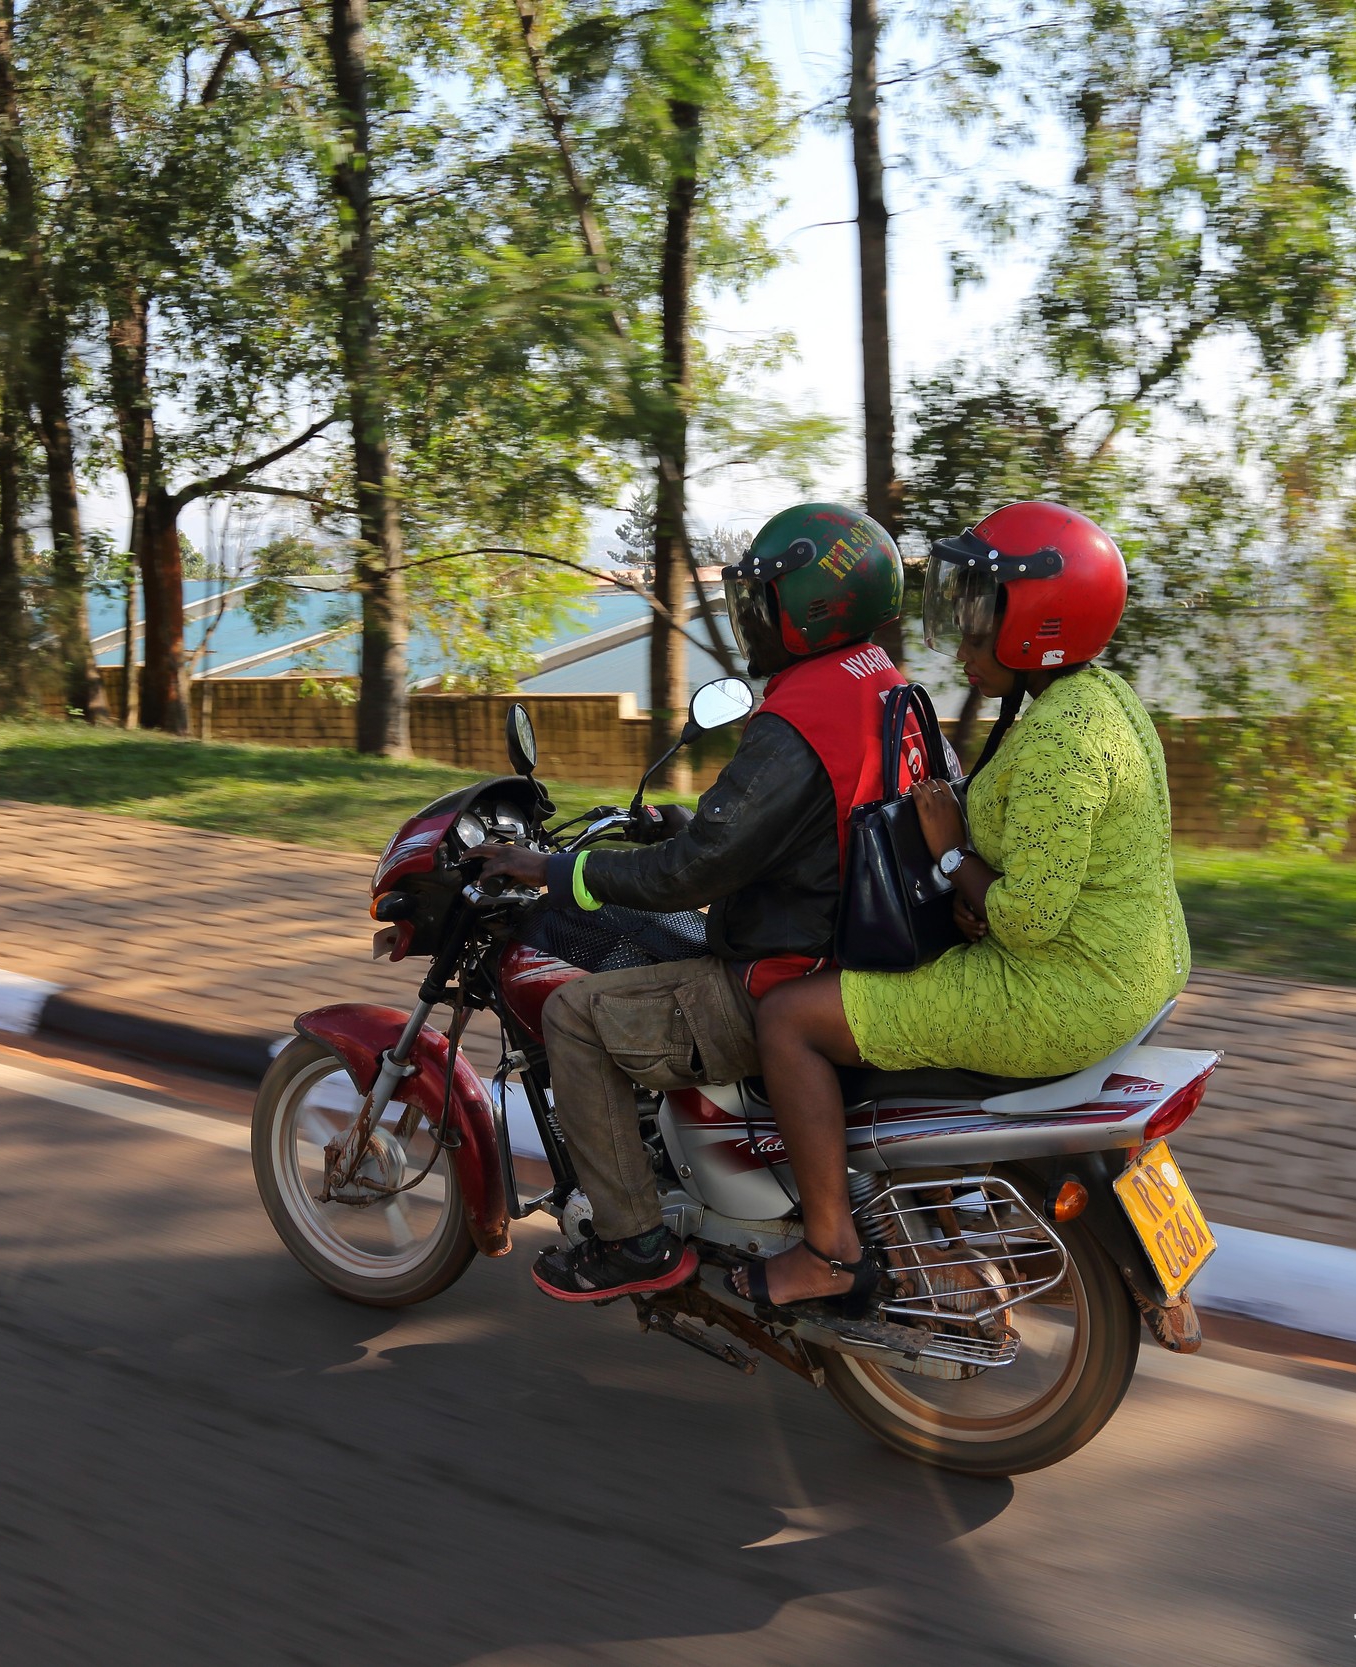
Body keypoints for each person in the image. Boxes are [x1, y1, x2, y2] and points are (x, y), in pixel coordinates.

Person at [734, 501, 1192, 1311]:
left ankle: (828, 1251)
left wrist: (951, 852)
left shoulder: (1058, 739)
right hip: (1138, 969)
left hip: (1059, 993)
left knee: (789, 1018)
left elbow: (1025, 919)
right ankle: (931, 1211)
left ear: (1036, 628)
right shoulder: (1104, 698)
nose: (965, 640)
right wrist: (976, 880)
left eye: (980, 619)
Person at [471, 502, 912, 1302]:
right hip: (858, 953)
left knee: (575, 1014)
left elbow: (689, 877)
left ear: (812, 609)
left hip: (784, 974)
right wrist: (682, 825)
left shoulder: (800, 713)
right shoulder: (887, 688)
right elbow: (808, 827)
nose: (750, 615)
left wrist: (556, 868)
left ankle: (631, 1236)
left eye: (762, 598)